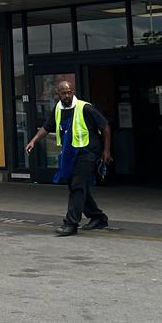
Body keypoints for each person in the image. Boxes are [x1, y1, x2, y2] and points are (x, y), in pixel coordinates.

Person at [25, 80, 112, 236]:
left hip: (87, 152)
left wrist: (106, 150)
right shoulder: (58, 109)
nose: (67, 95)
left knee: (78, 185)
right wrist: (33, 141)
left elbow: (105, 126)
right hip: (69, 154)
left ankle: (71, 224)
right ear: (57, 94)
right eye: (64, 93)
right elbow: (46, 127)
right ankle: (98, 217)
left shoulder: (85, 108)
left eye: (70, 92)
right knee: (76, 186)